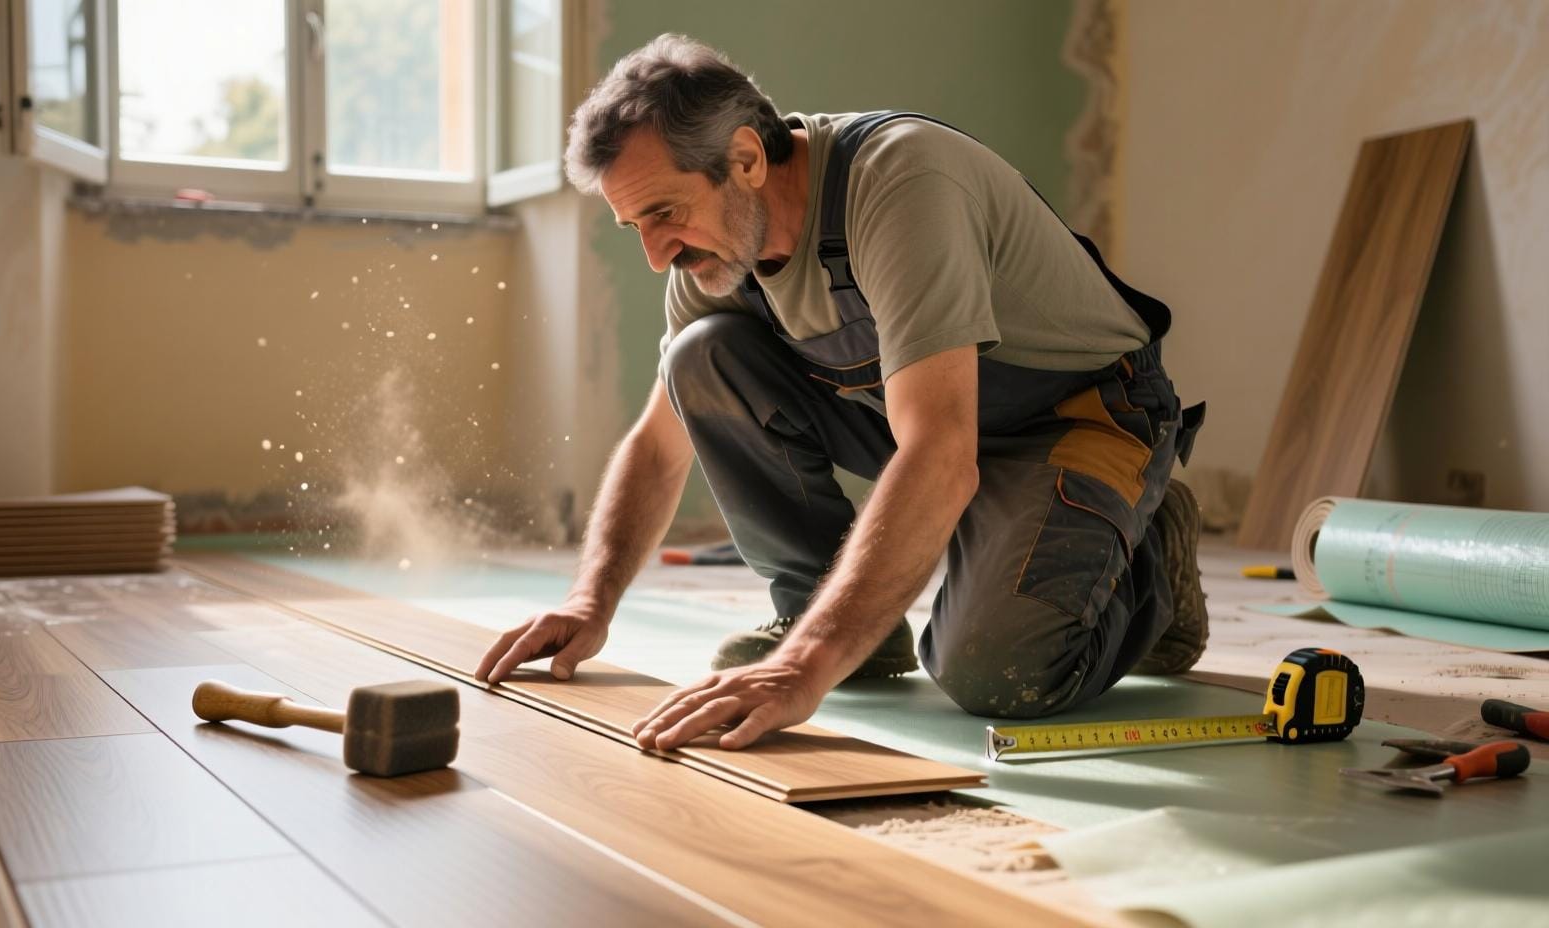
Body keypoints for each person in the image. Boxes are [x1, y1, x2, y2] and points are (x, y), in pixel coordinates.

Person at [473, 34, 1207, 752]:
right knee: (699, 358)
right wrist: (589, 601)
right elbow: (659, 447)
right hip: (937, 421)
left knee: (995, 673)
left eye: (665, 213)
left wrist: (802, 669)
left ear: (748, 158)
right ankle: (826, 618)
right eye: (633, 226)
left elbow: (941, 454)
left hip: (1079, 417)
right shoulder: (717, 256)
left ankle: (1152, 560)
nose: (655, 253)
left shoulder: (898, 183)